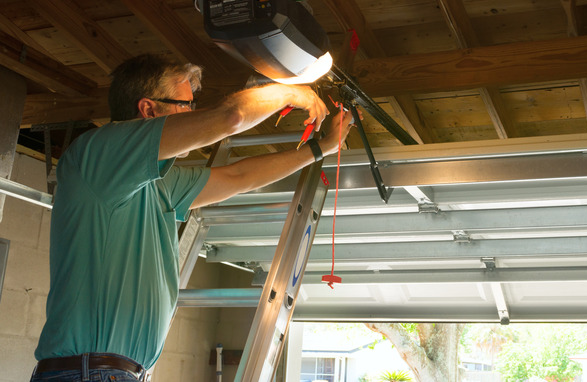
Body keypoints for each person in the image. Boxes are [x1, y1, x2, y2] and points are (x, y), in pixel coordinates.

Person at [30, 54, 354, 381]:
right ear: (148, 109)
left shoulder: (159, 182)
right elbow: (231, 116)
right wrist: (290, 92)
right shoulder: (98, 156)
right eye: (185, 105)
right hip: (90, 372)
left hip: (109, 372)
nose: (192, 114)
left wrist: (322, 148)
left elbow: (238, 177)